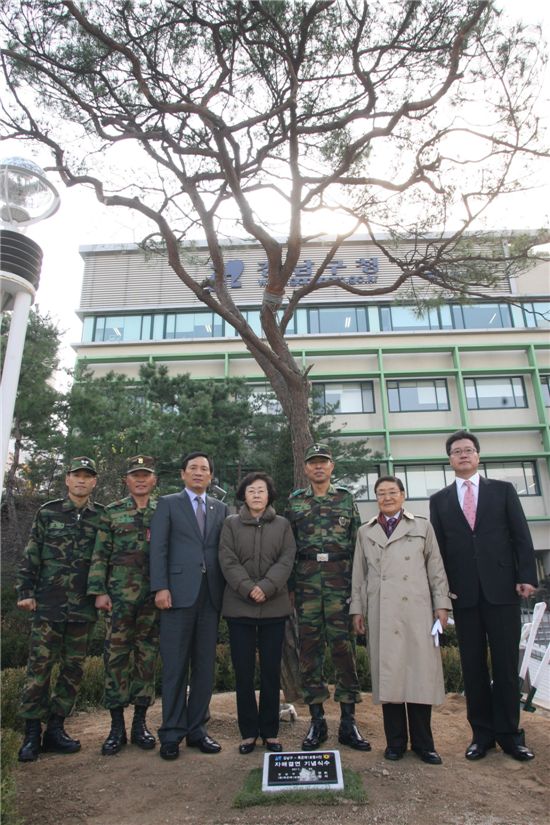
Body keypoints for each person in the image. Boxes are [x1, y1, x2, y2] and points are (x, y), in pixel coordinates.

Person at [429, 430, 538, 762]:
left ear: (477, 456)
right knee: (473, 667)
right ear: (449, 459)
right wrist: (443, 596)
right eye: (457, 451)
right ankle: (481, 735)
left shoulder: (503, 491)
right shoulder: (440, 500)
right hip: (464, 595)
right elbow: (440, 552)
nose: (463, 455)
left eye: (469, 450)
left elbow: (521, 535)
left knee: (505, 666)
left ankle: (510, 735)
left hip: (503, 590)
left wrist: (526, 577)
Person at [350, 475, 451, 764]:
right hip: (382, 611)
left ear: (403, 495)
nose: (387, 497)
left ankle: (424, 744)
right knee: (390, 677)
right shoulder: (365, 531)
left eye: (392, 492)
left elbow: (436, 569)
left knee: (419, 676)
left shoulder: (422, 526)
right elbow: (359, 574)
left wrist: (441, 605)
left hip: (417, 610)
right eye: (381, 493)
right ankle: (395, 742)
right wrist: (357, 609)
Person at [16, 456, 103, 763]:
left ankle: (56, 728)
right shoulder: (48, 512)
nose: (81, 480)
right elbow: (32, 553)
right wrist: (25, 591)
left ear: (94, 482)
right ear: (67, 480)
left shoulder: (100, 517)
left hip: (82, 608)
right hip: (48, 604)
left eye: (87, 476)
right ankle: (30, 734)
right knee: (39, 668)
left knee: (72, 670)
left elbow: (103, 559)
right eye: (76, 475)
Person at [286, 443, 370, 751]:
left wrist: (357, 590)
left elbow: (357, 547)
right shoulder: (295, 503)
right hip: (307, 585)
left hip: (339, 584)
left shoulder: (346, 499)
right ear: (306, 469)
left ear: (331, 467)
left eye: (323, 462)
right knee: (310, 652)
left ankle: (349, 722)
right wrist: (291, 589)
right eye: (313, 463)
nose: (318, 467)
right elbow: (288, 547)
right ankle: (317, 721)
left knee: (343, 650)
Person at [149, 450, 228, 760]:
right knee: (175, 667)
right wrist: (160, 587)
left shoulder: (219, 508)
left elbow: (224, 552)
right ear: (182, 474)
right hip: (176, 597)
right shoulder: (168, 504)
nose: (198, 473)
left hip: (210, 597)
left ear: (210, 476)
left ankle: (197, 730)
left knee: (204, 668)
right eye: (193, 468)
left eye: (204, 469)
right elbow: (158, 549)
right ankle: (171, 732)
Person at [219, 472, 296, 754]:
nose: (256, 494)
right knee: (243, 672)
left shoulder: (283, 525)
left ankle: (271, 732)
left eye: (261, 490)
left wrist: (266, 587)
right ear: (243, 494)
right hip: (240, 607)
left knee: (270, 673)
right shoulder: (230, 524)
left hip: (273, 607)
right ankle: (248, 732)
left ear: (269, 495)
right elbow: (227, 559)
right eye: (251, 490)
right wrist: (248, 588)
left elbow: (287, 558)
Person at [87, 455, 160, 756]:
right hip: (117, 600)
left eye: (145, 475)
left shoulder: (163, 511)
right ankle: (116, 726)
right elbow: (100, 554)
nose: (140, 480)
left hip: (152, 600)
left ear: (154, 480)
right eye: (135, 475)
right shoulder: (112, 513)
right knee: (115, 659)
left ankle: (140, 723)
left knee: (147, 658)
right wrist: (98, 591)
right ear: (126, 480)